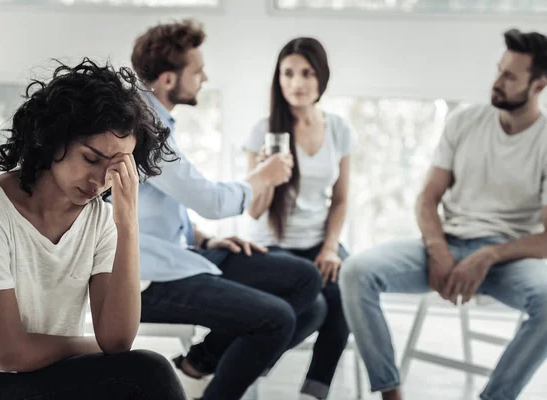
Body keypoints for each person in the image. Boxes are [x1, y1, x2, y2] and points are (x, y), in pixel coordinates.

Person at [0, 59, 185, 400]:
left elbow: (117, 340)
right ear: (54, 140)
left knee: (147, 371)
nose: (102, 181)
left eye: (116, 167)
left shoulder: (100, 220)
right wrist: (92, 347)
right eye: (91, 159)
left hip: (51, 376)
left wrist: (127, 222)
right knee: (148, 373)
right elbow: (11, 353)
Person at [340, 28, 547, 400]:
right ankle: (390, 392)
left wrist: (488, 255)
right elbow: (427, 198)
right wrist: (437, 249)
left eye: (509, 76)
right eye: (498, 70)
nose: (496, 82)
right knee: (355, 272)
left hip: (508, 259)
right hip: (448, 245)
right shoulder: (465, 121)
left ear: (539, 85)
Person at [130, 20, 323, 400]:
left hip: (180, 252)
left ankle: (197, 364)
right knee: (281, 317)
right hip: (147, 277)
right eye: (197, 70)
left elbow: (156, 204)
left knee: (307, 287)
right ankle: (208, 374)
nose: (204, 77)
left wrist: (204, 237)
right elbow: (211, 201)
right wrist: (261, 177)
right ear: (169, 80)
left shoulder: (156, 118)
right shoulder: (143, 126)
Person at [243, 37, 354, 400]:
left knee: (346, 295)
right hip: (272, 246)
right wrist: (265, 175)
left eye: (306, 73)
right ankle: (249, 364)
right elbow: (255, 211)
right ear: (278, 78)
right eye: (288, 73)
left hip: (317, 242)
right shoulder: (263, 130)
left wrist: (331, 248)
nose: (297, 83)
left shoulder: (338, 129)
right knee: (314, 306)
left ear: (321, 76)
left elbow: (340, 200)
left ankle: (313, 392)